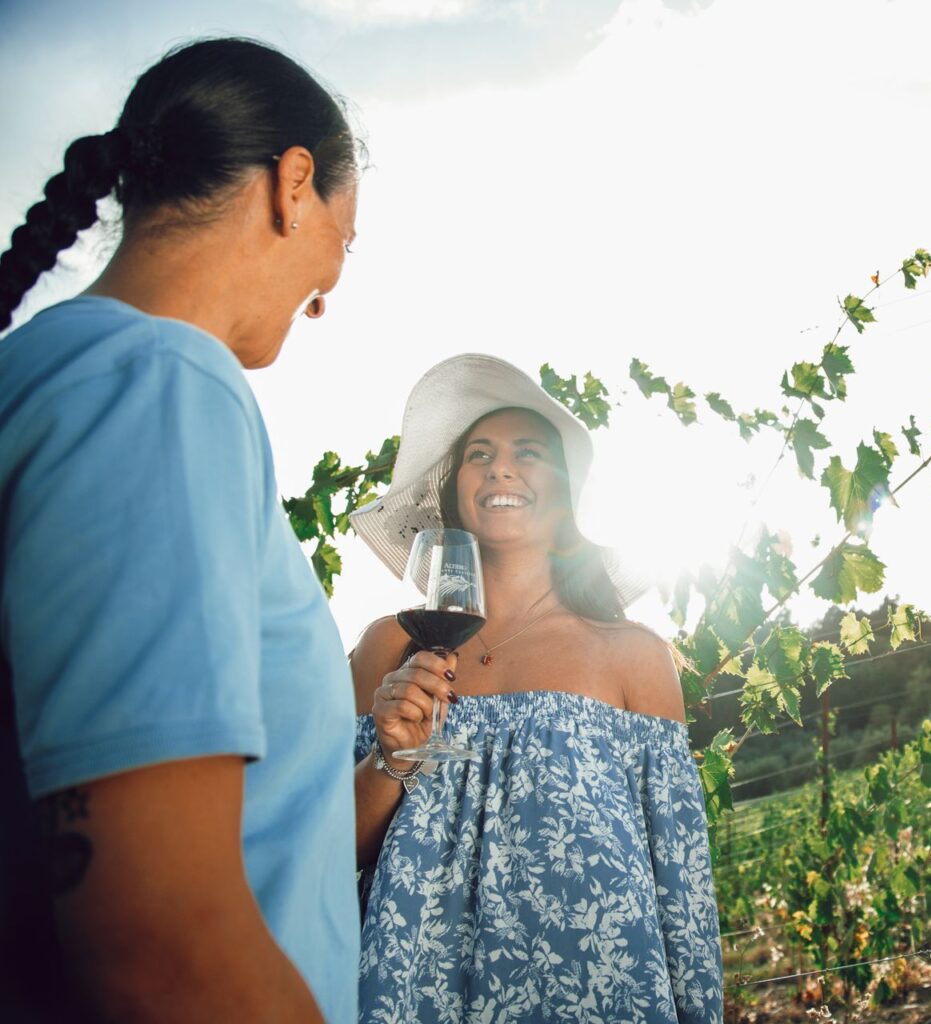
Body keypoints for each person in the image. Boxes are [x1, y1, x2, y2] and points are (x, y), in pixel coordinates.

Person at [0, 38, 362, 1024]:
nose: (328, 294)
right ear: (293, 186)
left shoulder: (39, 373)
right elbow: (160, 942)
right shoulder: (159, 383)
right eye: (346, 237)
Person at [349, 353, 724, 1023]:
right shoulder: (390, 648)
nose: (500, 467)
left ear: (573, 494)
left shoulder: (633, 658)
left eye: (530, 453)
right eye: (479, 454)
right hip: (418, 999)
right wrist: (390, 760)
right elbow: (332, 854)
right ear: (455, 487)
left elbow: (682, 890)